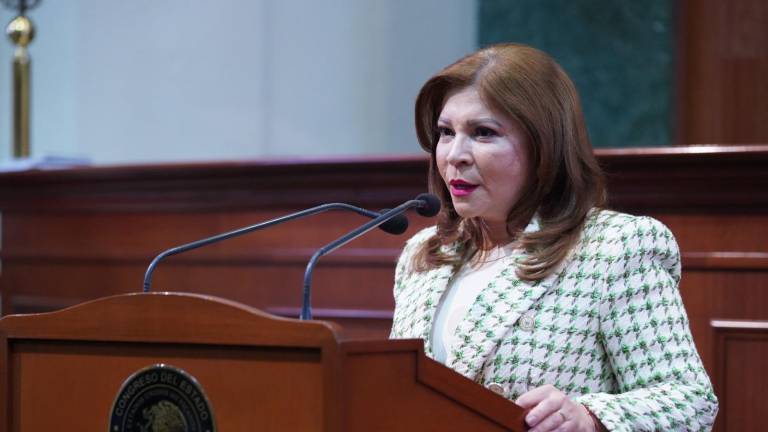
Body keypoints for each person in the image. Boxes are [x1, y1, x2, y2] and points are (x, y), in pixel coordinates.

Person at [389, 43, 718, 432]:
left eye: (483, 133)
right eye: (446, 132)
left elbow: (691, 401)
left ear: (544, 145)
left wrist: (589, 417)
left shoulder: (616, 248)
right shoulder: (425, 253)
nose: (454, 155)